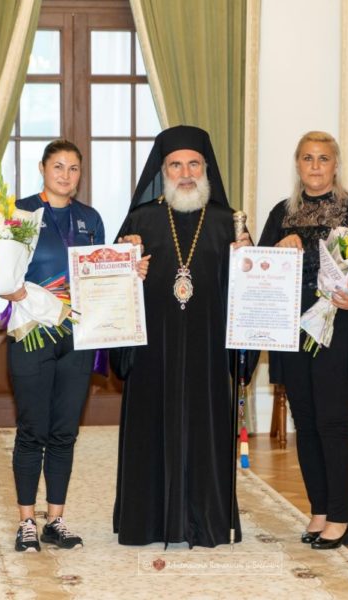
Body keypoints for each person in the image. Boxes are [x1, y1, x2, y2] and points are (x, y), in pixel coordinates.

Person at [112, 125, 256, 548]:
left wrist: (248, 260)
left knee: (205, 429)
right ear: (163, 172)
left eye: (194, 164)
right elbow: (111, 289)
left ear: (206, 168)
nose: (186, 173)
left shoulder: (229, 223)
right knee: (150, 429)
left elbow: (250, 294)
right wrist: (125, 261)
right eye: (176, 165)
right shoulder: (141, 221)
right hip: (152, 350)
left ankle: (205, 521)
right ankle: (147, 522)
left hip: (207, 350)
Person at [2, 139, 148, 552]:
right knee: (33, 430)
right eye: (58, 167)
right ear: (42, 169)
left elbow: (102, 274)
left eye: (73, 168)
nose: (66, 175)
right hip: (32, 332)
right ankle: (26, 521)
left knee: (65, 431)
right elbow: (2, 272)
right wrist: (9, 289)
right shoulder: (20, 214)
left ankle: (56, 519)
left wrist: (131, 269)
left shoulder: (90, 218)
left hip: (78, 337)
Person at [258, 131, 348, 549]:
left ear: (335, 165)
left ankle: (341, 517)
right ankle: (319, 511)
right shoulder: (281, 214)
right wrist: (277, 250)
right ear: (297, 165)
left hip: (342, 331)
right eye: (307, 158)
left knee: (334, 424)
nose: (315, 166)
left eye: (323, 158)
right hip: (293, 333)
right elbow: (258, 272)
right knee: (306, 425)